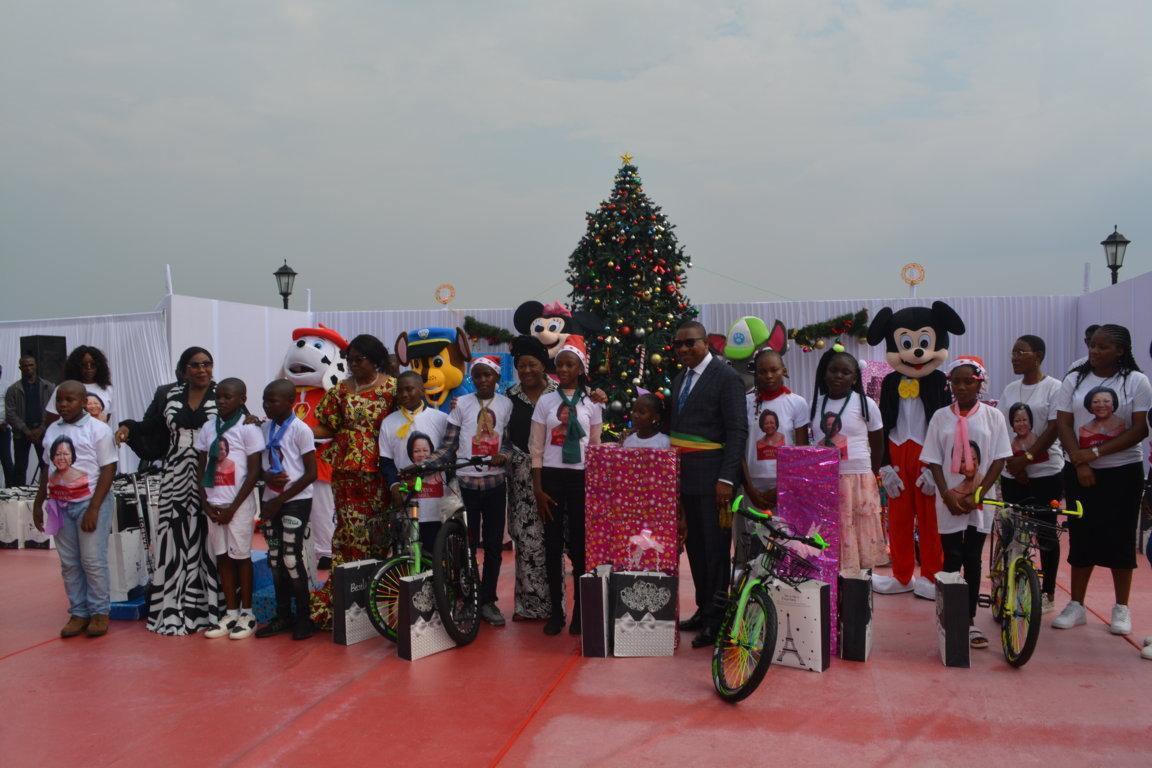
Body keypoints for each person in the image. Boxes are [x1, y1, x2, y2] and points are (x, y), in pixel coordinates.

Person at [116, 346, 223, 636]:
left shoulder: (222, 394)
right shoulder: (169, 396)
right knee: (173, 538)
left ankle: (208, 609)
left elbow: (239, 424)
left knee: (207, 537)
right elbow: (151, 428)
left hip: (211, 476)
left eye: (207, 364)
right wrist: (127, 428)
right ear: (184, 369)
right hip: (175, 476)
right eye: (195, 365)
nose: (202, 369)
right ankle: (173, 607)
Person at [1053, 324, 1150, 638]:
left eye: (1102, 347)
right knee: (1082, 535)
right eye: (1092, 345)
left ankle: (1121, 607)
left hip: (1123, 471)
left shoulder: (1135, 381)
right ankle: (1076, 605)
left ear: (1120, 350)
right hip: (1080, 471)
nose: (1094, 351)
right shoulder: (1075, 379)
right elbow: (1063, 423)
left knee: (1121, 536)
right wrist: (1080, 461)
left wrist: (1093, 453)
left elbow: (1139, 429)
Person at [920, 357, 1011, 650]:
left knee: (972, 557)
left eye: (968, 381)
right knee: (952, 556)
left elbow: (999, 458)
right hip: (948, 497)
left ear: (979, 383)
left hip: (980, 499)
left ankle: (969, 619)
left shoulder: (993, 417)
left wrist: (979, 493)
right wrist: (946, 494)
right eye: (956, 382)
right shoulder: (940, 417)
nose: (961, 387)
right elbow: (933, 459)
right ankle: (949, 615)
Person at [669, 320, 748, 648]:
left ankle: (718, 620)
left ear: (706, 343)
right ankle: (704, 610)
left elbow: (737, 431)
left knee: (716, 551)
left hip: (716, 481)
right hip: (686, 479)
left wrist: (726, 478)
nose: (684, 349)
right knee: (697, 551)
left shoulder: (726, 377)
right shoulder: (679, 379)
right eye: (679, 344)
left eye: (690, 343)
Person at [309, 334, 395, 629]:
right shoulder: (339, 390)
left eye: (360, 360)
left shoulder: (393, 388)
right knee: (348, 532)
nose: (353, 365)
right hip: (346, 471)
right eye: (350, 360)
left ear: (375, 359)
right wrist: (292, 427)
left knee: (378, 531)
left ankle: (376, 591)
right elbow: (327, 426)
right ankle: (346, 596)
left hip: (380, 470)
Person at [425, 356, 512, 627]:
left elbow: (510, 442)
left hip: (495, 485)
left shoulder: (506, 404)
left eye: (488, 375)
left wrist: (504, 455)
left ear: (497, 378)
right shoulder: (461, 404)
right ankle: (467, 600)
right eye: (477, 376)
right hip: (466, 485)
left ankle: (488, 600)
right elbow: (449, 444)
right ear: (471, 379)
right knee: (466, 545)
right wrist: (427, 464)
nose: (483, 380)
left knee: (494, 546)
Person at [32, 381, 118, 638]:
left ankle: (99, 612)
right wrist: (39, 502)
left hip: (90, 502)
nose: (63, 405)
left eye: (69, 400)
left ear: (83, 402)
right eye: (59, 400)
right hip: (60, 504)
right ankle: (79, 612)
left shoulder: (98, 429)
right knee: (69, 562)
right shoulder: (52, 430)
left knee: (92, 560)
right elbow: (47, 468)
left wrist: (94, 508)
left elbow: (108, 468)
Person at [531, 336, 602, 635]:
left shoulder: (592, 403)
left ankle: (580, 613)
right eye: (559, 364)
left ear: (580, 369)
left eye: (570, 365)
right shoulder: (546, 401)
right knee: (552, 545)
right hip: (551, 477)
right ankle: (556, 612)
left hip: (580, 478)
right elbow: (536, 447)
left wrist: (594, 489)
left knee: (580, 546)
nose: (563, 369)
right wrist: (538, 488)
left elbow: (595, 446)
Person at [998, 335, 1065, 612]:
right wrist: (1014, 465)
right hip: (1012, 473)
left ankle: (1047, 592)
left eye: (1020, 352)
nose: (1014, 357)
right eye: (1013, 352)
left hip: (1046, 473)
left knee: (1046, 532)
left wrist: (1026, 459)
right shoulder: (1010, 390)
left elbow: (1054, 428)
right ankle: (1009, 586)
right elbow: (1001, 429)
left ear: (1038, 355)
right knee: (1011, 532)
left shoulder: (1054, 388)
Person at [194, 378, 265, 640]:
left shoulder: (248, 428)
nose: (221, 401)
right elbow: (201, 467)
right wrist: (206, 503)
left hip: (239, 505)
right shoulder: (208, 427)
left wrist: (233, 508)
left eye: (228, 397)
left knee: (241, 557)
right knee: (222, 557)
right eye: (218, 397)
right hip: (214, 505)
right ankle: (231, 613)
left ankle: (248, 614)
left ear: (242, 399)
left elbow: (254, 471)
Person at [807, 349, 886, 576]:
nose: (838, 376)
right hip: (825, 480)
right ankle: (833, 586)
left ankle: (861, 589)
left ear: (854, 378)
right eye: (833, 370)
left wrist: (872, 474)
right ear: (824, 374)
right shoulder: (815, 404)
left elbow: (878, 443)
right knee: (831, 532)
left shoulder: (866, 404)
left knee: (860, 532)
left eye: (845, 372)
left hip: (858, 479)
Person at [256, 379, 318, 640]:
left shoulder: (301, 430)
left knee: (291, 558)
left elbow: (311, 474)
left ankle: (304, 617)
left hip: (295, 500)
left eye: (272, 401)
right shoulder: (263, 428)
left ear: (290, 402)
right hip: (271, 499)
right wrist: (267, 478)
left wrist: (279, 500)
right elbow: (257, 468)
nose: (266, 405)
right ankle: (283, 615)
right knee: (274, 559)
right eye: (264, 400)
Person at [504, 336, 557, 622]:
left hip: (555, 473)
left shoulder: (559, 393)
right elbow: (500, 436)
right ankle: (529, 607)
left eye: (532, 364)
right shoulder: (509, 398)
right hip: (521, 478)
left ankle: (557, 605)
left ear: (543, 365)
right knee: (526, 541)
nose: (526, 370)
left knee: (554, 538)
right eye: (521, 365)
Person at [379, 371, 449, 553]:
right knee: (409, 556)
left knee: (435, 556)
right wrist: (394, 485)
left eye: (409, 389)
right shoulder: (388, 423)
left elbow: (449, 454)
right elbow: (386, 461)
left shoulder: (441, 419)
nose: (404, 394)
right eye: (400, 391)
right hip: (406, 504)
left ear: (421, 390)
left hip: (436, 505)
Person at [4, 355, 54, 487]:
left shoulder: (48, 387)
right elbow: (10, 413)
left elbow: (53, 410)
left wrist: (41, 428)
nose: (28, 368)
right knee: (20, 468)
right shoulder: (13, 389)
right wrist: (26, 430)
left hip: (43, 432)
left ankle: (47, 492)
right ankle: (18, 494)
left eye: (31, 365)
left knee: (46, 465)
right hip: (21, 434)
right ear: (20, 368)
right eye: (25, 365)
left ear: (36, 366)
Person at [45, 346, 115, 426]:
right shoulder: (64, 388)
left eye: (93, 364)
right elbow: (51, 420)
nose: (89, 368)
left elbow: (106, 418)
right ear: (75, 367)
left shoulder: (108, 389)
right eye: (84, 365)